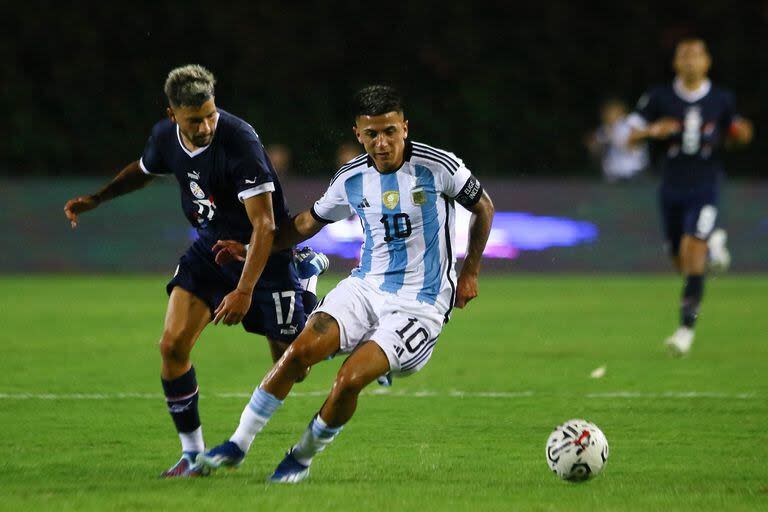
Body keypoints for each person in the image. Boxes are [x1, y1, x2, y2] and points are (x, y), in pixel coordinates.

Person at [197, 85, 495, 483]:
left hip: (420, 305)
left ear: (405, 127)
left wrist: (470, 271)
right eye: (372, 134)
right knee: (297, 354)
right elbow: (307, 222)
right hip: (365, 288)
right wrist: (253, 246)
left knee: (350, 379)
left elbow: (483, 206)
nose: (382, 142)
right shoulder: (351, 178)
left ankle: (300, 458)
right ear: (359, 134)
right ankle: (237, 444)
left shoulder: (439, 166)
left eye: (390, 131)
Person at [63, 64, 328, 477]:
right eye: (194, 120)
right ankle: (192, 455)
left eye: (210, 114)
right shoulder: (165, 137)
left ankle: (304, 278)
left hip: (262, 256)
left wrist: (243, 291)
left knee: (295, 367)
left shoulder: (239, 141)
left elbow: (265, 225)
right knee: (172, 347)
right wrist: (98, 199)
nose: (205, 126)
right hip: (209, 252)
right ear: (173, 116)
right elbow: (144, 169)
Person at [627, 38, 753, 355]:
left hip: (705, 185)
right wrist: (652, 131)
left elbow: (739, 133)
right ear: (675, 63)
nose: (690, 61)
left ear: (707, 62)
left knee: (691, 250)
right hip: (671, 186)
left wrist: (741, 132)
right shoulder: (660, 97)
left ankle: (685, 331)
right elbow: (628, 137)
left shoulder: (722, 99)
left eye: (696, 55)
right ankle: (713, 244)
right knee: (680, 261)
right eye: (684, 56)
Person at [585, 98, 648, 183]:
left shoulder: (632, 123)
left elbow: (632, 146)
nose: (608, 115)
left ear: (621, 111)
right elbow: (594, 151)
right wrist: (594, 144)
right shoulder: (604, 129)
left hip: (634, 174)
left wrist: (612, 136)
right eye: (606, 112)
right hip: (614, 176)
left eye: (611, 112)